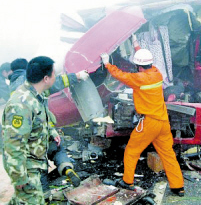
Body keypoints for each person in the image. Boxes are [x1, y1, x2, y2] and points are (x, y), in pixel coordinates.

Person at [100, 45, 185, 196]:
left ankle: (127, 181)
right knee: (168, 154)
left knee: (132, 151)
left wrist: (107, 64)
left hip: (149, 122)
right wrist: (136, 46)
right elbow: (143, 63)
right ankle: (178, 187)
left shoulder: (139, 78)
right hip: (163, 121)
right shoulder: (157, 72)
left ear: (138, 66)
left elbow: (120, 75)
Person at [2, 56, 88, 204]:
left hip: (38, 160)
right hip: (28, 168)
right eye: (54, 73)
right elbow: (12, 146)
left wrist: (51, 132)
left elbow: (41, 120)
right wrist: (19, 177)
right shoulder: (21, 105)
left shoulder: (37, 95)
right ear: (46, 78)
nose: (56, 76)